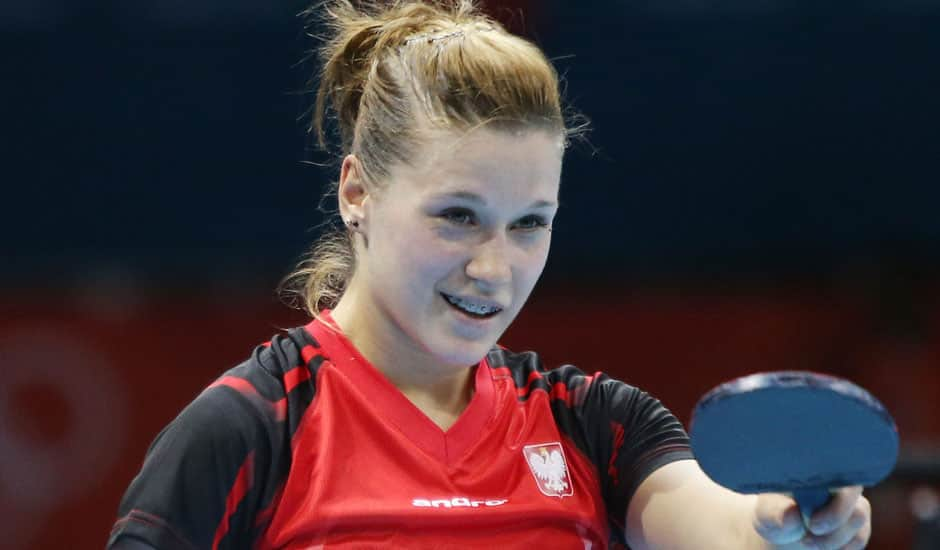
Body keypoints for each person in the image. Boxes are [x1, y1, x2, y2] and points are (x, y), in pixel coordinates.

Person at [108, 1, 872, 548]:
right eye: (458, 216)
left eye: (530, 223)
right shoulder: (249, 430)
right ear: (356, 192)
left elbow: (719, 526)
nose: (494, 269)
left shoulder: (594, 424)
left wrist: (788, 522)